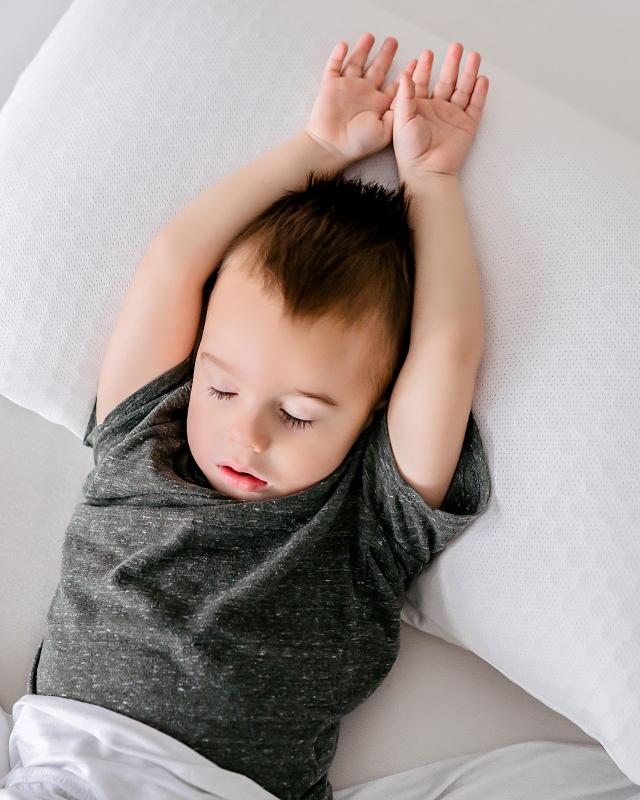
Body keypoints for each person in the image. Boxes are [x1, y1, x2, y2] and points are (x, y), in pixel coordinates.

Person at [14, 33, 492, 800]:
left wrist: (430, 181)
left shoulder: (368, 525)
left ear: (375, 413)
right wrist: (316, 147)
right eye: (222, 390)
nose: (247, 434)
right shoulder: (145, 439)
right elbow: (173, 263)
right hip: (65, 767)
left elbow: (445, 353)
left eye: (300, 415)